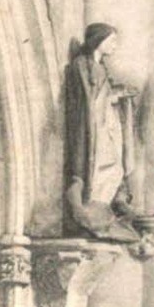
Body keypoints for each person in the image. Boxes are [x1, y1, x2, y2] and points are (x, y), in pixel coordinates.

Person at [63, 23, 140, 241]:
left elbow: (101, 98)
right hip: (94, 129)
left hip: (107, 126)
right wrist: (112, 97)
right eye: (111, 41)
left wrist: (119, 96)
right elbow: (88, 102)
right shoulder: (82, 65)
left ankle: (103, 205)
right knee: (106, 166)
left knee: (115, 168)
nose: (115, 46)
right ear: (99, 41)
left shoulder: (101, 69)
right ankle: (93, 206)